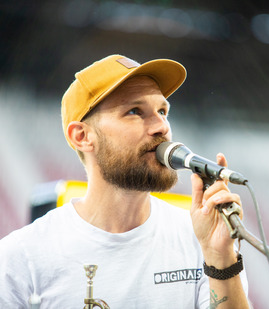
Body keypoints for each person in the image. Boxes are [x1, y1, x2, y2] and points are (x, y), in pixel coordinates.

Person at [0, 54, 251, 308]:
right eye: (134, 111)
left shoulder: (202, 239)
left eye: (163, 111)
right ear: (82, 136)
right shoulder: (21, 258)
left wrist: (220, 259)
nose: (161, 126)